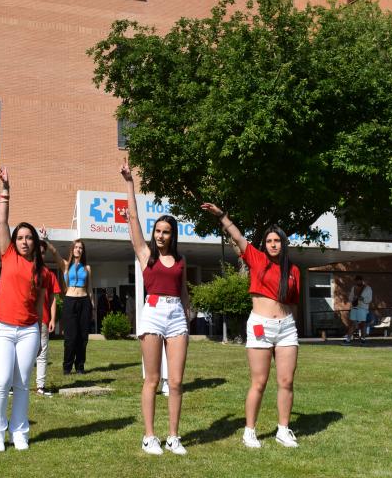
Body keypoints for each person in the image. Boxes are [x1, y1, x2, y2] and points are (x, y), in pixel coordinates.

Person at [200, 202, 301, 449]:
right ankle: (249, 431)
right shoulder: (256, 259)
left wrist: (293, 328)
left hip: (286, 327)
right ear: (264, 245)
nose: (273, 245)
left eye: (277, 241)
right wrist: (222, 216)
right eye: (269, 241)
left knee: (286, 382)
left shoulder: (294, 270)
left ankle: (283, 430)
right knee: (259, 382)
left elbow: (294, 303)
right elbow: (237, 235)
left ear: (283, 243)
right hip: (260, 327)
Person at [121, 161, 191, 456]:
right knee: (151, 379)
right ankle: (149, 436)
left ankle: (173, 436)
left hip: (176, 316)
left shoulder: (181, 261)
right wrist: (129, 183)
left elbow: (184, 291)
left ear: (173, 235)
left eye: (166, 232)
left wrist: (187, 316)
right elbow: (134, 219)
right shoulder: (145, 254)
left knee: (175, 381)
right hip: (152, 313)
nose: (161, 235)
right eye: (158, 231)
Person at [0, 167, 46, 452]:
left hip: (28, 331)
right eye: (20, 237)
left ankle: (19, 431)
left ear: (35, 242)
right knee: (2, 381)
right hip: (2, 328)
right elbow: (2, 219)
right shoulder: (8, 253)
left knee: (22, 384)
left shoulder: (41, 270)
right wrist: (6, 189)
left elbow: (38, 303)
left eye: (28, 238)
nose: (23, 241)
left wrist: (38, 330)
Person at [45, 235, 95, 375]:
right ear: (72, 250)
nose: (78, 250)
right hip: (70, 301)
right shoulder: (66, 265)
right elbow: (55, 252)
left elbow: (90, 288)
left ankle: (80, 366)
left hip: (84, 301)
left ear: (83, 251)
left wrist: (93, 306)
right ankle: (67, 367)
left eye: (81, 248)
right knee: (70, 337)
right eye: (76, 247)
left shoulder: (87, 268)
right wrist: (47, 240)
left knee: (83, 337)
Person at [36, 234, 62, 395]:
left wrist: (53, 318)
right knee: (21, 354)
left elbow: (53, 298)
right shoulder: (24, 269)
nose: (40, 254)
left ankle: (40, 386)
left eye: (43, 252)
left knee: (42, 353)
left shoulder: (48, 274)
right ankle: (15, 386)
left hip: (43, 319)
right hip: (25, 320)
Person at [344, 275, 372, 345]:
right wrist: (353, 298)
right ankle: (348, 339)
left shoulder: (367, 288)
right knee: (352, 324)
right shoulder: (354, 288)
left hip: (362, 308)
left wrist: (362, 299)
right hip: (354, 307)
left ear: (362, 280)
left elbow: (369, 299)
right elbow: (350, 297)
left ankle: (363, 339)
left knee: (362, 324)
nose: (358, 282)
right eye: (356, 280)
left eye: (359, 280)